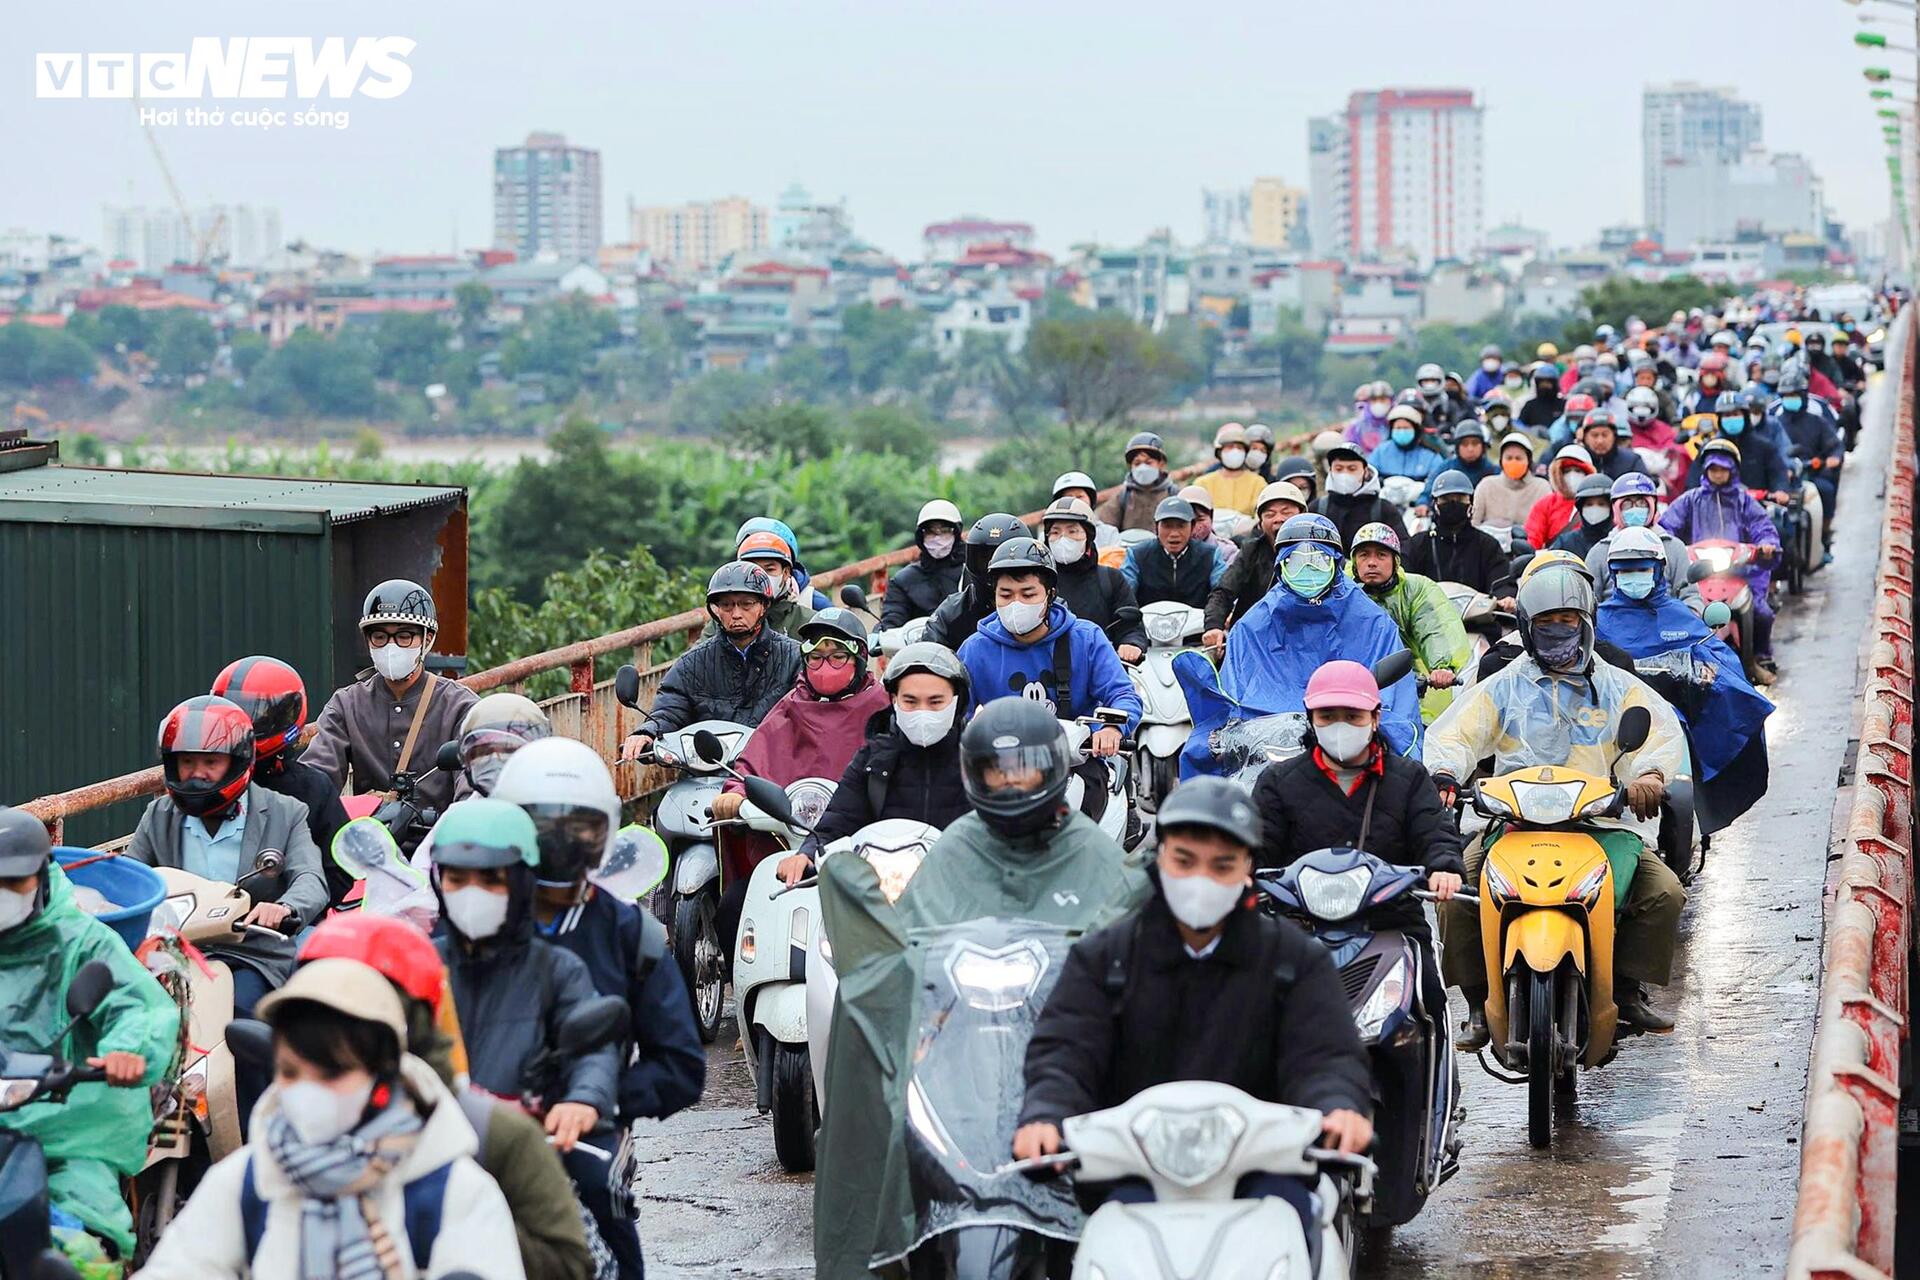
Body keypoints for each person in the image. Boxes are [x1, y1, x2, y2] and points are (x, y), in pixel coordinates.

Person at [812, 698, 1148, 1278]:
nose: (1014, 786)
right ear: (975, 775)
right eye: (999, 773)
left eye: (1028, 772)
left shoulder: (1091, 850)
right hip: (957, 1061)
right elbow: (910, 956)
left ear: (1056, 772)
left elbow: (1122, 946)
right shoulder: (958, 847)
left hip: (1063, 1065)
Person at [1010, 776, 1372, 1241]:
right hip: (1135, 1178)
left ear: (1248, 870)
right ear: (1159, 859)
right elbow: (1066, 1050)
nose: (1200, 879)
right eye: (1184, 860)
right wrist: (1046, 1113)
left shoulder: (1294, 960)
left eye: (1222, 866)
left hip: (1263, 1179)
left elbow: (1326, 1053)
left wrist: (1337, 1106)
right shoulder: (1105, 958)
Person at [1426, 565, 1689, 1048]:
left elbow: (1656, 733)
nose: (1558, 630)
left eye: (1569, 619)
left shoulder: (1616, 686)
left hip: (1603, 822)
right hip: (1512, 823)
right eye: (1547, 620)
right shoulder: (1501, 686)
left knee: (1665, 893)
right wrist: (1445, 773)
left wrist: (1649, 777)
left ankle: (1626, 991)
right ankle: (1479, 1002)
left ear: (1587, 622)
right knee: (1459, 893)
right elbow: (1456, 733)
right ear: (1526, 625)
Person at [134, 957, 525, 1279]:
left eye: (332, 1073)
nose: (306, 1091)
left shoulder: (452, 1190)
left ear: (383, 1074)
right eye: (289, 1072)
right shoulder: (246, 1183)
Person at [491, 739, 706, 1279]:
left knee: (597, 1198)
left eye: (579, 828)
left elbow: (680, 1066)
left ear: (605, 832)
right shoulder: (475, 924)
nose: (561, 843)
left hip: (589, 1129)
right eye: (542, 827)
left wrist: (599, 1103)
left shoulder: (629, 933)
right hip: (480, 1119)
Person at [294, 914, 595, 1280]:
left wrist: (444, 1222)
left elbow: (569, 1264)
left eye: (352, 1014)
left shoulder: (492, 1134)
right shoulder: (270, 1147)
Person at [0, 807, 177, 1266]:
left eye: (12, 882)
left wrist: (126, 1051)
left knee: (79, 1249)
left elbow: (138, 1008)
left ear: (41, 875)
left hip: (64, 1127)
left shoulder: (82, 941)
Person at [1250, 662, 1463, 1018]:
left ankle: (1435, 1071)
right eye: (1327, 716)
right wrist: (1241, 877)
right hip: (1302, 926)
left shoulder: (1408, 777)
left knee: (1428, 996)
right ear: (1311, 719)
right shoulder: (1278, 781)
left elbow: (1434, 830)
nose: (1340, 726)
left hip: (1391, 921)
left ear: (1375, 717)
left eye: (1353, 716)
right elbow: (1256, 846)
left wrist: (1444, 867)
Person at [427, 799, 619, 1159]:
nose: (471, 893)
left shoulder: (558, 970)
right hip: (435, 1152)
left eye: (490, 880)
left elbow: (593, 1049)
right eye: (456, 879)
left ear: (521, 884)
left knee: (598, 1182)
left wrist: (582, 1099)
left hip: (530, 1148)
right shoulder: (422, 965)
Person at [128, 695, 330, 1016]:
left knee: (239, 1017)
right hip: (173, 954)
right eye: (187, 763)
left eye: (211, 762)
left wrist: (283, 908)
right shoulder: (159, 815)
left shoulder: (285, 812)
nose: (198, 773)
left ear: (238, 762)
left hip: (251, 954)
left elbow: (311, 878)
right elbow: (129, 878)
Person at [710, 608, 891, 960]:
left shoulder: (881, 708)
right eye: (817, 657)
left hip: (861, 849)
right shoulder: (790, 707)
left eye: (838, 656)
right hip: (789, 844)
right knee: (733, 907)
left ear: (859, 658)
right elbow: (751, 764)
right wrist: (735, 794)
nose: (826, 666)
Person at [1200, 515, 1421, 774]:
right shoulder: (1253, 625)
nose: (1307, 569)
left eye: (1318, 560)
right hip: (1270, 752)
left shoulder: (1373, 622)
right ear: (1281, 566)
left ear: (1336, 563)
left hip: (1353, 745)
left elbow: (1396, 705)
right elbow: (1234, 703)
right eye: (1295, 561)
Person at [1596, 528, 1774, 833]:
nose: (1633, 576)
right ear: (1613, 574)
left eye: (1641, 569)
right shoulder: (1598, 619)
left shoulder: (1680, 616)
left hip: (1672, 717)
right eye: (1625, 570)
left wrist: (1709, 672)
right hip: (1609, 719)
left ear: (1658, 571)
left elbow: (1719, 657)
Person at [779, 641, 974, 884]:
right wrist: (806, 855)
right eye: (910, 701)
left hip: (963, 893)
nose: (922, 712)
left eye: (935, 702)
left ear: (958, 702)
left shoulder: (979, 761)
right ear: (893, 701)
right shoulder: (873, 760)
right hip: (886, 893)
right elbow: (838, 821)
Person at [305, 579, 479, 828]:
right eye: (379, 636)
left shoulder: (460, 705)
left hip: (439, 844)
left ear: (427, 639)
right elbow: (317, 777)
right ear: (368, 640)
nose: (390, 646)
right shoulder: (347, 704)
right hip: (367, 846)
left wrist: (457, 825)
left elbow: (473, 787)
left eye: (404, 636)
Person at [955, 538, 1141, 745]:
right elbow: (957, 712)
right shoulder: (974, 649)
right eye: (1006, 595)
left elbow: (1123, 693)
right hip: (1001, 763)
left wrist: (1112, 728)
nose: (1016, 603)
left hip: (1080, 759)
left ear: (1050, 595)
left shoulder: (1087, 638)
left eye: (1028, 594)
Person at [619, 561, 804, 762]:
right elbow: (671, 708)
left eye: (746, 604)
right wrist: (648, 732)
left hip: (771, 769)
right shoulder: (692, 663)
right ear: (715, 610)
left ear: (764, 606)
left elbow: (809, 715)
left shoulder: (793, 657)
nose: (736, 614)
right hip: (706, 770)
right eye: (726, 605)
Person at [212, 654, 350, 903]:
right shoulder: (199, 789)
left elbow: (338, 872)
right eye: (234, 710)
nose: (246, 723)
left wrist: (290, 908)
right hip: (202, 916)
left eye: (259, 714)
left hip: (283, 926)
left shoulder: (312, 790)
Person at [1661, 440, 1783, 683]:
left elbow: (1763, 528)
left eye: (1723, 469)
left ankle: (1757, 657)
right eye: (1713, 469)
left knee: (1761, 612)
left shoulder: (1745, 501)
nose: (1718, 474)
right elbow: (1666, 527)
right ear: (1705, 470)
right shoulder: (1690, 500)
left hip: (1741, 572)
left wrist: (1767, 545)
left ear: (1733, 471)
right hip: (1699, 573)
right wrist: (1666, 545)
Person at [1347, 523, 1471, 722]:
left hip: (1411, 685)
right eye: (1364, 555)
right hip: (1350, 686)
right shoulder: (1340, 592)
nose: (1372, 562)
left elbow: (1434, 628)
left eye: (1381, 555)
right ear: (1354, 561)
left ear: (1396, 561)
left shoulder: (1417, 589)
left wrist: (1442, 667)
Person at [1039, 496, 1146, 660]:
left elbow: (1131, 626)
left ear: (1088, 536)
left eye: (1072, 531)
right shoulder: (1037, 581)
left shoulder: (1111, 578)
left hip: (1099, 670)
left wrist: (1131, 643)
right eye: (1055, 532)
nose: (1063, 538)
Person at [1203, 480, 1307, 643]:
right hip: (1253, 638)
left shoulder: (1317, 554)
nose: (1278, 519)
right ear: (1260, 523)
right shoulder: (1251, 551)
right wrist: (1213, 627)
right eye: (1270, 514)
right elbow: (1223, 591)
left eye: (1286, 512)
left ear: (1303, 516)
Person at [921, 512, 1032, 648]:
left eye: (1006, 562)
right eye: (985, 560)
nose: (994, 570)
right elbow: (928, 657)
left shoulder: (1049, 610)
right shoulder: (951, 612)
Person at [1404, 470, 1515, 603]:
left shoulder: (1487, 545)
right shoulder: (1418, 544)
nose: (1453, 503)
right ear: (1435, 504)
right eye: (1445, 499)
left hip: (1478, 619)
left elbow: (1501, 583)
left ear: (1471, 503)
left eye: (1460, 498)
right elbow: (1405, 584)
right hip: (1428, 619)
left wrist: (1504, 599)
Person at [1583, 473, 1696, 598]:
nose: (1635, 509)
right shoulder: (1600, 551)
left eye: (1642, 503)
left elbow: (1690, 595)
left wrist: (1690, 614)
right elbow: (1589, 600)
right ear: (1615, 509)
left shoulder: (1674, 547)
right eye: (1627, 504)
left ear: (1653, 505)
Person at [1768, 363, 1844, 541]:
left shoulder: (1816, 421)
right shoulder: (1774, 424)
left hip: (1812, 472)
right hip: (1782, 475)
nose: (1790, 399)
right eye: (1787, 396)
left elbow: (1835, 444)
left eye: (1794, 395)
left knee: (1825, 490)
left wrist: (1834, 457)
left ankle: (1823, 536)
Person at [702, 529, 817, 640]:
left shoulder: (808, 621)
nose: (761, 577)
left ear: (786, 573)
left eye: (769, 569)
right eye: (753, 570)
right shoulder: (723, 621)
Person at [1121, 495, 1230, 610]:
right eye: (1167, 526)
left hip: (1199, 624)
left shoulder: (1210, 555)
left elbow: (1221, 592)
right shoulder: (1137, 555)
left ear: (1192, 526)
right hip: (1146, 624)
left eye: (1181, 526)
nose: (1174, 534)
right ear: (1156, 527)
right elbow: (1125, 595)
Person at [877, 499, 965, 629]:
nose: (937, 537)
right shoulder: (904, 580)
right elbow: (892, 621)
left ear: (956, 533)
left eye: (945, 530)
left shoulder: (971, 572)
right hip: (919, 645)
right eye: (930, 532)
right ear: (920, 536)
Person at [1312, 441, 1409, 550]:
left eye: (1352, 469)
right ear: (1330, 471)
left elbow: (1404, 549)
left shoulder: (1384, 510)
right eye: (1339, 469)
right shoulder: (1317, 509)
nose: (1345, 474)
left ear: (1366, 471)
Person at [1094, 431, 1177, 533]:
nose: (1142, 468)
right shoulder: (1122, 497)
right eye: (1137, 463)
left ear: (1161, 464)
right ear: (1130, 467)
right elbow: (1105, 530)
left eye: (1148, 463)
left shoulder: (1173, 495)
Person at [1472, 431, 1552, 533]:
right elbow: (1473, 524)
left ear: (1529, 461)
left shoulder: (1542, 488)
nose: (1513, 462)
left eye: (1518, 458)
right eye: (1509, 458)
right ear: (1501, 461)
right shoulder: (1486, 486)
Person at [1523, 445, 1597, 550]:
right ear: (1558, 474)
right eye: (1567, 471)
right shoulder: (1546, 504)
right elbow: (1532, 539)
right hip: (1554, 561)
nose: (1572, 475)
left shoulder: (1598, 502)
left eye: (1578, 470)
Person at [1624, 386, 1691, 499]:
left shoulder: (1665, 430)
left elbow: (1677, 450)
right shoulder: (1622, 429)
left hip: (1662, 483)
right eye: (1637, 407)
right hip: (1629, 482)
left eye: (1646, 408)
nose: (1641, 414)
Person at [1368, 404, 1449, 487]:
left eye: (1406, 428)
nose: (1402, 431)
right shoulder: (1381, 452)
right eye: (1398, 428)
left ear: (1416, 429)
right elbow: (1369, 476)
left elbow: (1438, 481)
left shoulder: (1431, 455)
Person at [1193, 422, 1266, 514]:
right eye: (1230, 447)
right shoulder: (1202, 483)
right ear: (1220, 452)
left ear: (1245, 453)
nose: (1235, 451)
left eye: (1239, 448)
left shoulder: (1258, 483)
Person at [1421, 421, 1496, 503]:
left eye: (1475, 443)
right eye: (1465, 444)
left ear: (1483, 446)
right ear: (1457, 447)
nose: (1470, 449)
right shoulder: (1446, 468)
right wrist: (1423, 503)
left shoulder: (1492, 470)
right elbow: (1429, 489)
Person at [1551, 472, 1621, 558]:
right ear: (1581, 508)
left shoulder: (1621, 540)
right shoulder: (1566, 543)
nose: (1595, 509)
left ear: (1611, 508)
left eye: (1601, 504)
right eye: (1589, 504)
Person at [1572, 409, 1648, 482]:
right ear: (1585, 437)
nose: (1600, 441)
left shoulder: (1632, 461)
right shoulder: (1577, 461)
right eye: (1594, 435)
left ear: (1614, 436)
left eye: (1605, 435)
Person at [1051, 472, 1121, 549]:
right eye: (1069, 497)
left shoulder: (1108, 533)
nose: (1075, 501)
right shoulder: (1049, 535)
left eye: (1080, 496)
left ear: (1091, 500)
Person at [1178, 484, 1240, 563]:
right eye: (1188, 521)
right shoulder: (1170, 549)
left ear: (1211, 518)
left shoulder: (1226, 551)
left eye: (1200, 520)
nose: (1195, 527)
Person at [1345, 379, 1394, 454]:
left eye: (1383, 399)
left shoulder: (1397, 423)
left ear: (1391, 400)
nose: (1378, 403)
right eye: (1374, 399)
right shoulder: (1357, 427)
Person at [1516, 364, 1566, 431]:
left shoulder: (1564, 404)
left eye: (1548, 383)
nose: (1545, 386)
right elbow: (1520, 426)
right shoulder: (1530, 406)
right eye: (1542, 383)